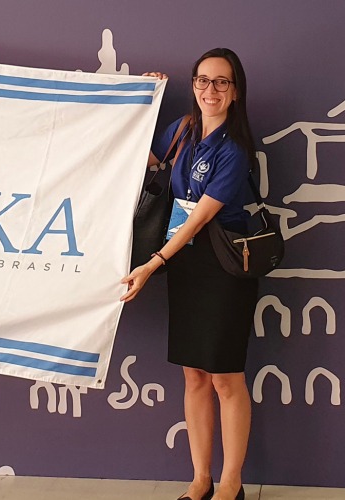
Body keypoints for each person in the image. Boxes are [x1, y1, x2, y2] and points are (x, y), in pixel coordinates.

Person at [121, 48, 259, 500]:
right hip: (184, 263)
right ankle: (200, 479)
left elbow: (200, 217)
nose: (210, 90)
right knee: (194, 375)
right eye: (202, 80)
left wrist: (154, 261)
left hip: (222, 266)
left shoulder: (236, 150)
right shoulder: (181, 130)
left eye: (221, 82)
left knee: (225, 377)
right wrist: (141, 98)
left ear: (235, 92)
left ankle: (231, 483)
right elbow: (145, 160)